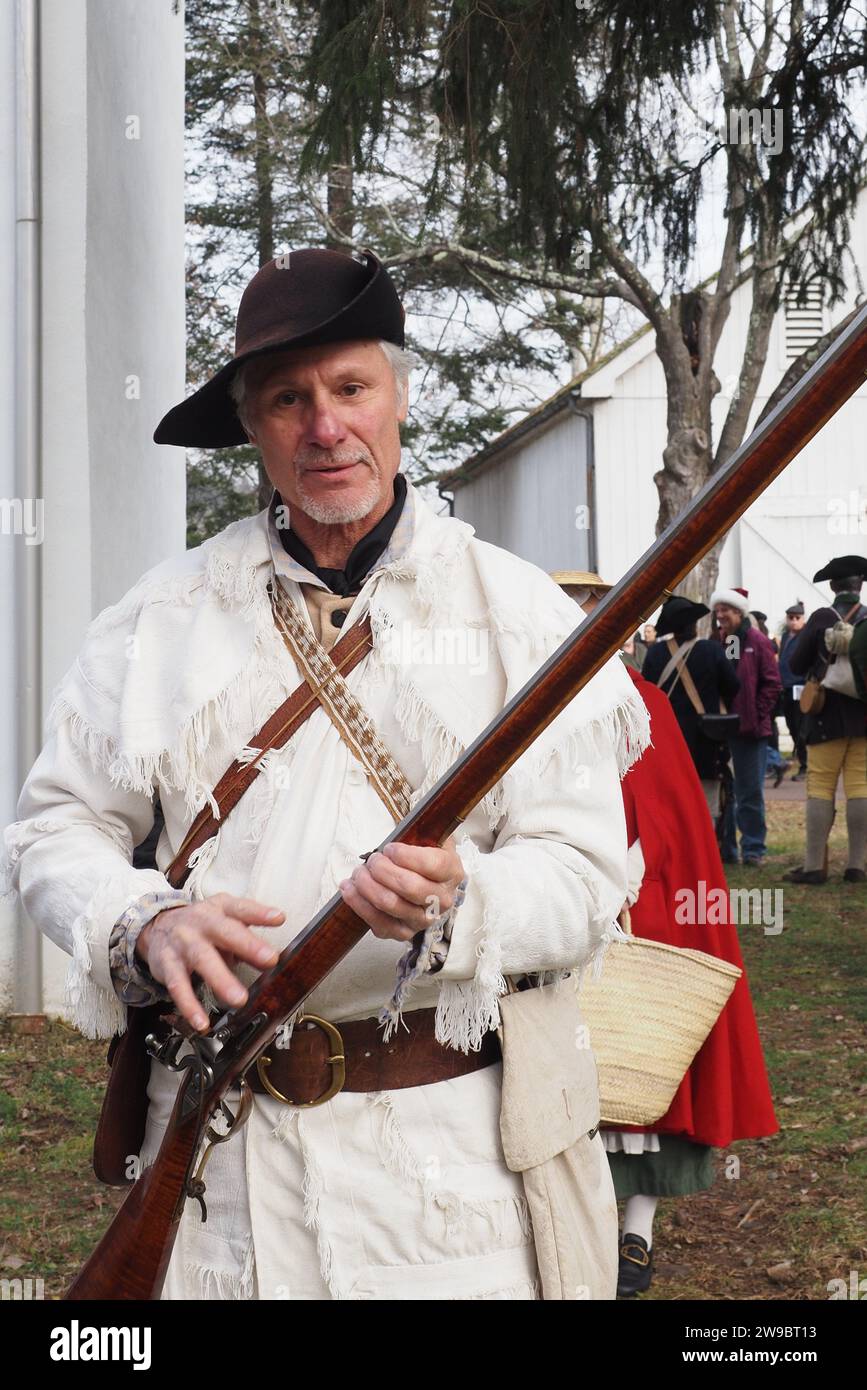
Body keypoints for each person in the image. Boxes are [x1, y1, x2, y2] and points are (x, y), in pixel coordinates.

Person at [3, 247, 651, 1301]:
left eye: (351, 388)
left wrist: (463, 899)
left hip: (454, 1197)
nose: (325, 425)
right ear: (253, 429)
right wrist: (144, 921)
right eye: (287, 399)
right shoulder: (156, 621)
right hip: (225, 1178)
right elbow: (53, 832)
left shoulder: (521, 614)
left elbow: (585, 878)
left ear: (398, 397)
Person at [554, 578, 778, 1298]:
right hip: (562, 915)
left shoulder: (636, 702)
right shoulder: (532, 706)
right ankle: (590, 1232)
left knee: (645, 1070)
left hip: (636, 912)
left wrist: (625, 880)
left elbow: (669, 814)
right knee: (571, 1087)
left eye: (595, 615)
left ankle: (636, 1234)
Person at [785, 556, 867, 884]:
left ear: (833, 587)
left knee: (820, 786)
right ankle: (857, 866)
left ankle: (814, 866)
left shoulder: (821, 618)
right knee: (861, 786)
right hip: (864, 717)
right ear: (859, 586)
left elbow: (795, 664)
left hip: (824, 716)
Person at [642, 595, 739, 823]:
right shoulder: (712, 650)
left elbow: (645, 693)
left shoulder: (655, 653)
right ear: (694, 623)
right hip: (706, 738)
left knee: (670, 804)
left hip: (667, 738)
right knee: (707, 808)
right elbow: (733, 686)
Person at [711, 588, 781, 866]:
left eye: (725, 610)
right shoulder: (721, 641)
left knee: (750, 791)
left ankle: (753, 848)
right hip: (721, 729)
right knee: (726, 791)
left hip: (751, 732)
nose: (720, 616)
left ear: (738, 612)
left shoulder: (757, 641)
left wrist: (755, 713)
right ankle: (727, 849)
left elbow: (772, 683)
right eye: (717, 611)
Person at [778, 601, 808, 780]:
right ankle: (802, 760)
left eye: (797, 618)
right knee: (791, 726)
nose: (794, 621)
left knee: (801, 727)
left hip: (801, 687)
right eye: (790, 618)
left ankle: (806, 765)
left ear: (803, 619)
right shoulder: (785, 636)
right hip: (786, 687)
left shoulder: (806, 636)